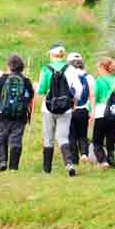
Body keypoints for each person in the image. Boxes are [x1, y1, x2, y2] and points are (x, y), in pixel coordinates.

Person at [37, 44, 84, 176]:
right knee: (63, 138)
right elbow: (79, 90)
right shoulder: (71, 69)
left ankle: (46, 170)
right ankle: (69, 164)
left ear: (51, 55)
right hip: (66, 108)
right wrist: (74, 101)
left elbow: (41, 90)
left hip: (48, 108)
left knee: (48, 138)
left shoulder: (46, 69)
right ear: (63, 55)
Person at [0, 56, 34, 172]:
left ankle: (3, 162)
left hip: (2, 115)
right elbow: (31, 99)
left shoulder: (2, 79)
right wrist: (29, 116)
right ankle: (13, 167)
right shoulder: (26, 81)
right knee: (16, 141)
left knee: (1, 138)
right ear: (22, 67)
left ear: (9, 66)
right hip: (20, 117)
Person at [91, 57, 115, 168]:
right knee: (111, 142)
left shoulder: (98, 81)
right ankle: (112, 160)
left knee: (97, 141)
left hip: (101, 113)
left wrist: (92, 113)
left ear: (102, 67)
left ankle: (103, 161)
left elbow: (94, 97)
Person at [67, 53, 94, 162]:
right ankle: (84, 153)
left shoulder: (68, 76)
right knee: (83, 134)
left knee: (71, 135)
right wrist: (92, 111)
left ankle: (74, 159)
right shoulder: (89, 77)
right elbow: (92, 95)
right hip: (84, 109)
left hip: (70, 109)